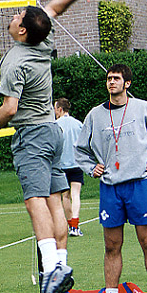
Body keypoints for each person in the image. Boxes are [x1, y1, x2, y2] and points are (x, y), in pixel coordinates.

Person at [0, 0, 107, 293]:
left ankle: (51, 269)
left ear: (22, 30)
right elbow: (53, 10)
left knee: (36, 203)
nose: (14, 15)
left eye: (18, 15)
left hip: (32, 136)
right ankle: (61, 263)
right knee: (53, 202)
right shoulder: (42, 40)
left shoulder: (15, 62)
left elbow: (9, 109)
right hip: (52, 132)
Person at [74, 64, 147, 293]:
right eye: (109, 78)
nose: (111, 82)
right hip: (110, 187)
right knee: (111, 245)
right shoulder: (95, 115)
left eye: (116, 78)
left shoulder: (143, 108)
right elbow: (80, 149)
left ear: (127, 83)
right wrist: (91, 167)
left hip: (139, 185)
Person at [54, 97, 84, 237]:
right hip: (76, 163)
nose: (55, 112)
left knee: (65, 196)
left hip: (61, 165)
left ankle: (71, 225)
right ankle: (74, 226)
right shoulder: (78, 124)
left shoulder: (55, 125)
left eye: (55, 109)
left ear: (60, 109)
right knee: (75, 194)